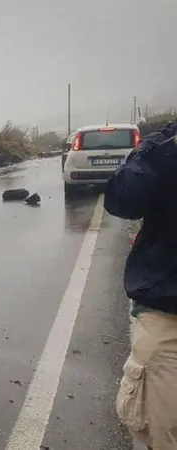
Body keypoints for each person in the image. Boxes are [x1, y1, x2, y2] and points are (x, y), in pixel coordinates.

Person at [105, 122, 177, 450]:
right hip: (167, 314)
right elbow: (123, 200)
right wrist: (155, 148)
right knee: (161, 432)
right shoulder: (167, 150)